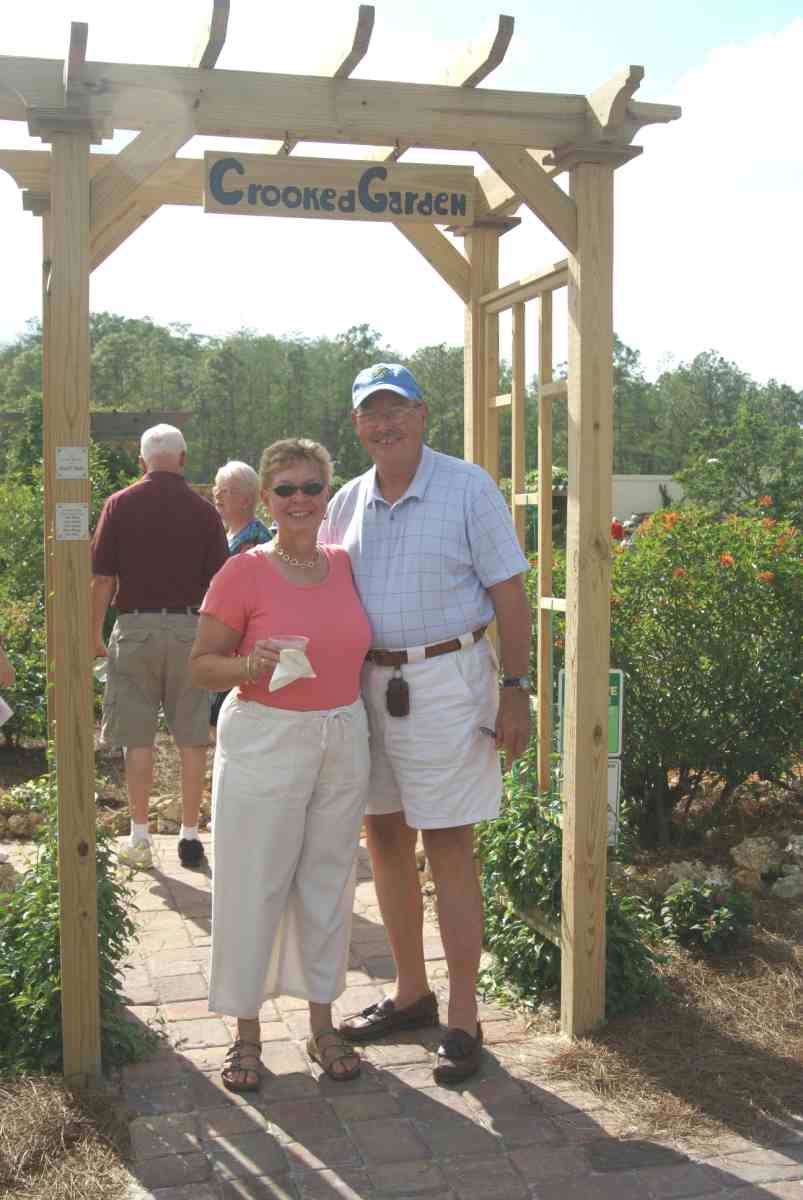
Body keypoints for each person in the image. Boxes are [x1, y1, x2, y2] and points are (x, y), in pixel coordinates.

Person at [321, 363, 532, 1085]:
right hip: (367, 685)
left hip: (447, 682)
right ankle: (412, 994)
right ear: (357, 425)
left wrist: (514, 690)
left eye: (398, 410)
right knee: (383, 836)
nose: (386, 424)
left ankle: (464, 1016)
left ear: (422, 414)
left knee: (447, 842)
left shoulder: (467, 487)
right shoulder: (346, 502)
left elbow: (510, 596)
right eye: (372, 414)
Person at [189, 438, 372, 1091]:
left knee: (327, 883)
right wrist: (248, 664)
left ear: (327, 495)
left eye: (311, 487)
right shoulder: (243, 572)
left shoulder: (344, 564)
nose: (299, 499)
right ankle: (246, 1035)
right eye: (286, 489)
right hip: (265, 738)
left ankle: (323, 1024)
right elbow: (200, 665)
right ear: (265, 498)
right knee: (253, 884)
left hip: (342, 735)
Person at [91, 424, 228, 871]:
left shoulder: (119, 504)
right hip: (191, 631)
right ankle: (190, 835)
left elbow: (102, 578)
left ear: (141, 460)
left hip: (134, 630)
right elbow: (221, 584)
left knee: (137, 739)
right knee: (192, 738)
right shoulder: (205, 511)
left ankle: (139, 837)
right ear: (183, 459)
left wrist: (94, 633)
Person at [210, 461, 273, 726]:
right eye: (216, 488)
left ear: (246, 499)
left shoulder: (257, 539)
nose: (217, 494)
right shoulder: (226, 535)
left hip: (244, 642)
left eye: (225, 490)